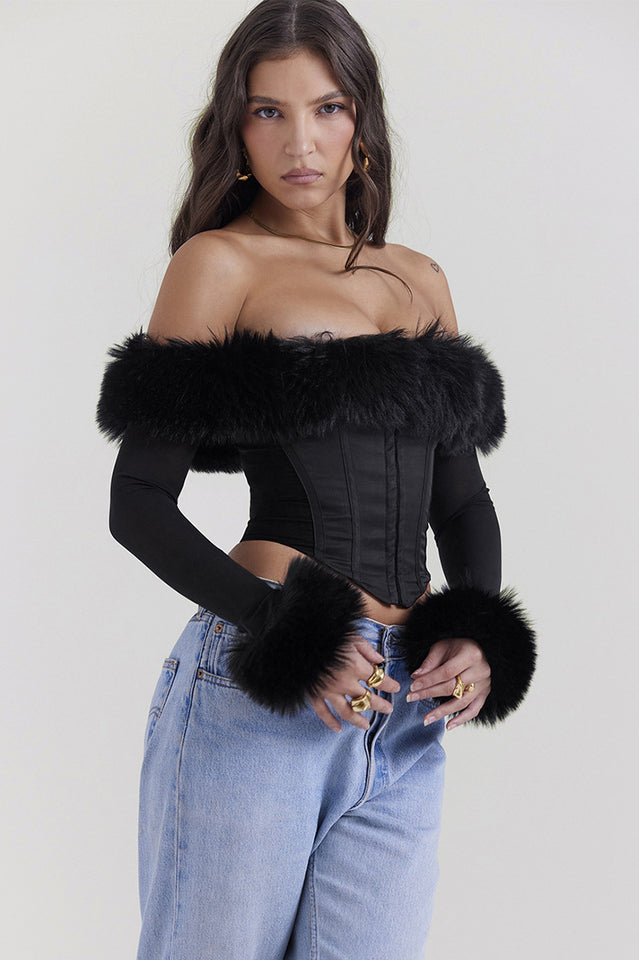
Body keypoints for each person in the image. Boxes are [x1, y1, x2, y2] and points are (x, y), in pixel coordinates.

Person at [95, 1, 537, 958]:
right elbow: (138, 504)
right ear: (235, 128)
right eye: (268, 112)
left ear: (361, 121)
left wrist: (474, 626)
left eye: (326, 108)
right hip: (264, 684)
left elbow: (460, 497)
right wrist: (284, 632)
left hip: (403, 707)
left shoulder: (418, 278)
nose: (300, 142)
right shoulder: (217, 264)